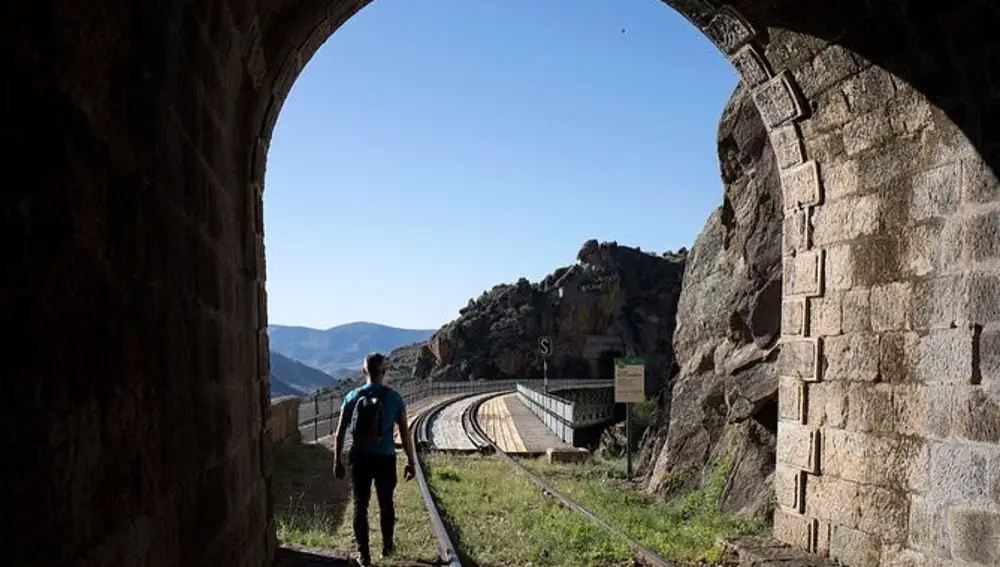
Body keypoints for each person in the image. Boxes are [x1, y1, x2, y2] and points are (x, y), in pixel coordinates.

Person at [333, 352, 416, 566]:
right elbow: (405, 434)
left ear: (364, 372)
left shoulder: (351, 397)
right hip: (385, 458)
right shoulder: (394, 398)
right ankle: (387, 548)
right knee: (385, 503)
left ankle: (364, 555)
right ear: (384, 372)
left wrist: (337, 461)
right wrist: (410, 461)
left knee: (360, 505)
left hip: (359, 458)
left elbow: (340, 432)